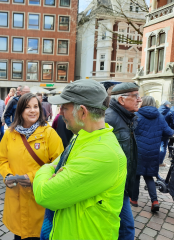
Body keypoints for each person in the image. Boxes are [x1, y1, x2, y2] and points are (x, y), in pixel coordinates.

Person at [33, 80, 127, 240]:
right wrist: (54, 169)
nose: (60, 113)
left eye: (64, 108)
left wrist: (45, 168)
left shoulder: (103, 153)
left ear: (83, 112)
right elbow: (57, 164)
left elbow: (45, 194)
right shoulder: (83, 137)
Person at [0, 93, 64, 240]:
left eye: (35, 106)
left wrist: (32, 177)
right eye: (27, 107)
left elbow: (59, 164)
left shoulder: (49, 134)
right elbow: (1, 159)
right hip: (17, 199)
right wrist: (7, 175)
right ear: (20, 110)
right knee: (19, 235)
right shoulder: (10, 134)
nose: (32, 110)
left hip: (39, 201)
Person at [105, 82, 142, 240]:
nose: (139, 100)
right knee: (127, 228)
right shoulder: (110, 118)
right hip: (114, 185)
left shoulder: (125, 116)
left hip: (122, 183)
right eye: (135, 96)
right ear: (121, 100)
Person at [130, 96, 173, 212]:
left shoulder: (136, 115)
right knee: (149, 176)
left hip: (138, 151)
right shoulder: (159, 116)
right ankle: (155, 201)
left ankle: (134, 200)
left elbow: (131, 130)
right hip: (153, 152)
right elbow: (169, 132)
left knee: (136, 175)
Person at [158, 100, 174, 166]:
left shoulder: (157, 111)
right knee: (163, 147)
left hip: (157, 132)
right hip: (165, 131)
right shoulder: (170, 112)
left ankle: (155, 161)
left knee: (156, 147)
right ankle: (160, 162)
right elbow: (173, 123)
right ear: (166, 105)